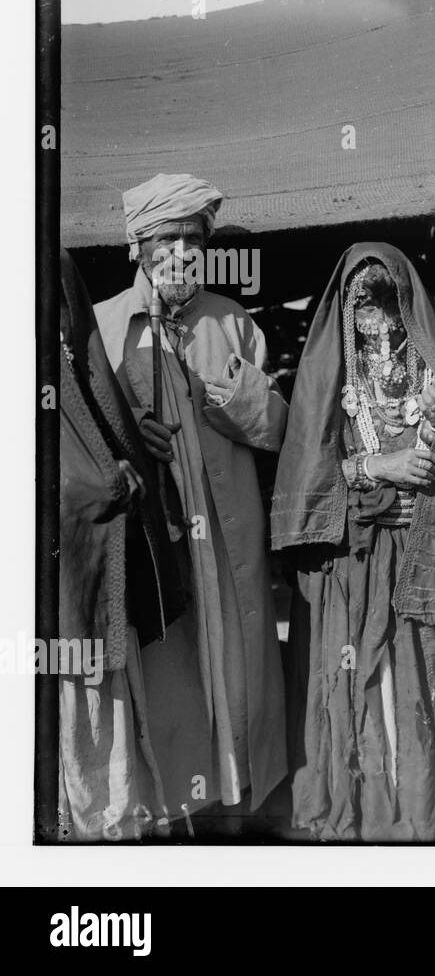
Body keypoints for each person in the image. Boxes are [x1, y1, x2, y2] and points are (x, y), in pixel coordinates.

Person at [272, 242, 435, 840]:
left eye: (386, 303)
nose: (376, 322)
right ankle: (368, 812)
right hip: (356, 563)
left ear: (407, 305)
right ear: (344, 313)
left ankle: (421, 811)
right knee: (363, 684)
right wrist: (379, 470)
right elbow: (310, 471)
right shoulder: (329, 379)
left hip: (422, 555)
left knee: (425, 687)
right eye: (363, 307)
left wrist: (429, 490)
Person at [94, 173, 288, 822]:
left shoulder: (230, 323)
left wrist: (222, 393)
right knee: (172, 674)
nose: (180, 252)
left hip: (229, 542)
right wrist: (129, 432)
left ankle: (236, 813)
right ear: (138, 247)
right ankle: (175, 813)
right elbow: (85, 439)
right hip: (161, 542)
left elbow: (275, 428)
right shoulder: (105, 326)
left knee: (236, 673)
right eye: (166, 238)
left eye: (190, 239)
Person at [58, 249, 188, 839]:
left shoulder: (69, 351)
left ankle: (109, 827)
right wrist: (102, 482)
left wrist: (128, 440)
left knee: (106, 712)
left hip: (95, 566)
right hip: (56, 586)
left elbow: (96, 415)